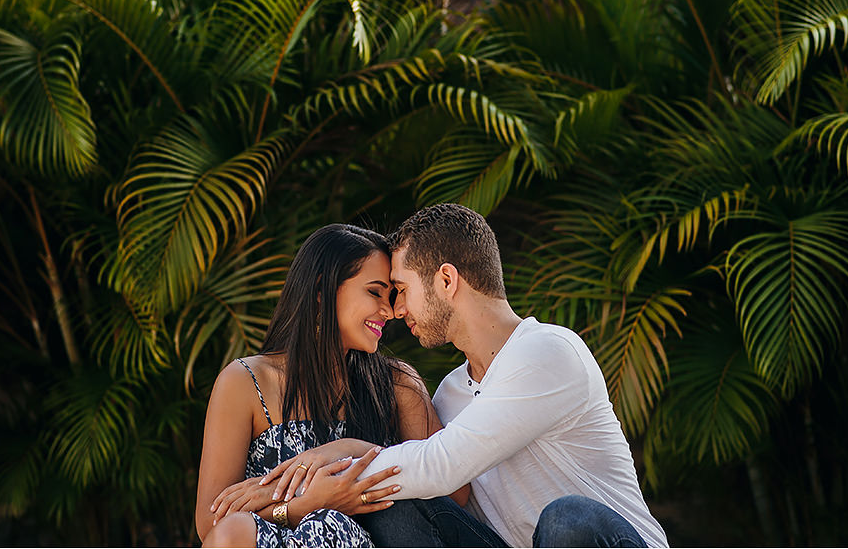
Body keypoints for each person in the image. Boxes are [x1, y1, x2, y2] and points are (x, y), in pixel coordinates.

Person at [263, 204, 669, 548]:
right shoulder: (451, 394)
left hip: (605, 540)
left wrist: (336, 456)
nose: (397, 311)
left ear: (445, 280)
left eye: (401, 289)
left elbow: (441, 464)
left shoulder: (548, 351)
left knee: (566, 519)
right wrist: (288, 506)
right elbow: (437, 491)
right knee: (398, 504)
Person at [195, 224, 463, 547]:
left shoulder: (396, 385)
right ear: (322, 291)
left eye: (391, 297)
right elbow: (211, 522)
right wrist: (308, 504)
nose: (389, 311)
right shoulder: (245, 382)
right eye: (375, 292)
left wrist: (356, 452)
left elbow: (454, 497)